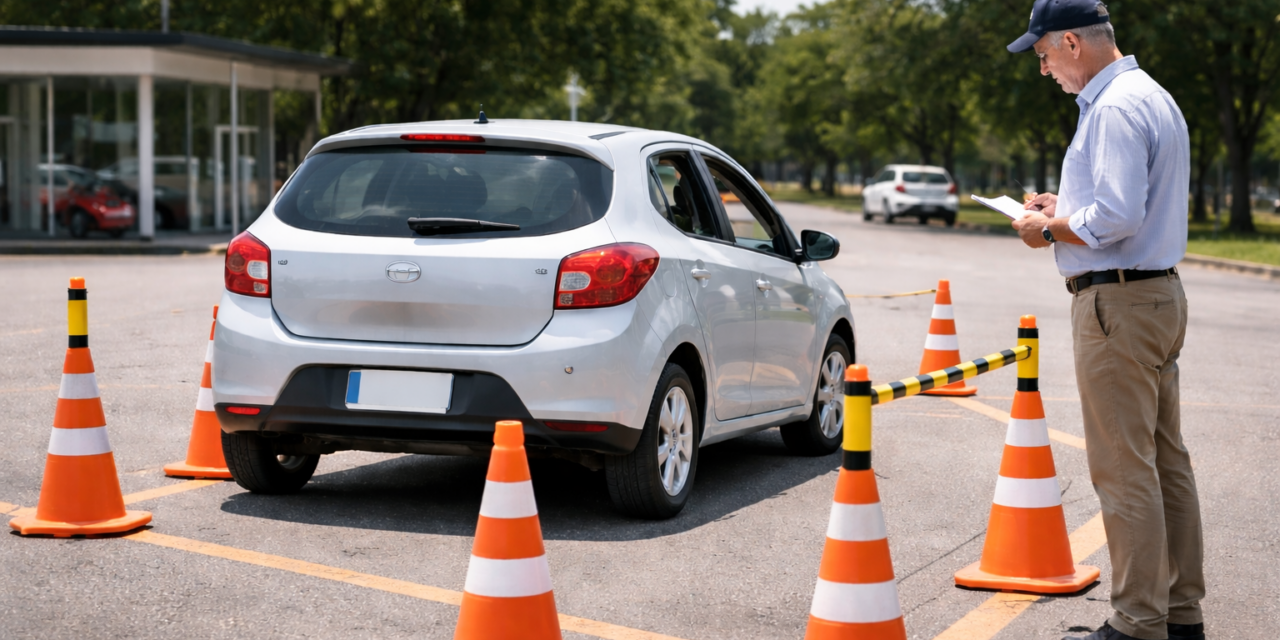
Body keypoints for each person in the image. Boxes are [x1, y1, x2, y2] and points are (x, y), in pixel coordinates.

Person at [1004, 2, 1206, 639]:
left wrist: (1047, 227)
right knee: (1164, 462)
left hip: (1117, 301)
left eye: (1043, 57)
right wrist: (1066, 206)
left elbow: (1116, 219)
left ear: (1071, 43)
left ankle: (1136, 623)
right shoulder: (1151, 96)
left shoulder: (1113, 108)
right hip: (1156, 296)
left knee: (1123, 469)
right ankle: (1178, 615)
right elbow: (1128, 204)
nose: (1044, 71)